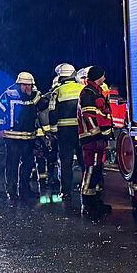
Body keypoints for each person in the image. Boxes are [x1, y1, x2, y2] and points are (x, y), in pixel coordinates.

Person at [0, 72, 46, 202]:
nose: (28, 88)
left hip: (29, 137)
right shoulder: (8, 95)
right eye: (25, 85)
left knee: (27, 165)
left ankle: (25, 189)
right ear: (19, 84)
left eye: (30, 85)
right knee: (12, 164)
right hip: (12, 137)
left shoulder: (34, 96)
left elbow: (43, 106)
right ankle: (11, 190)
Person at [77, 65, 113, 218]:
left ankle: (96, 201)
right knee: (91, 169)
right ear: (98, 77)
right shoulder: (88, 93)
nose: (104, 79)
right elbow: (89, 117)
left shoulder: (95, 91)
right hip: (92, 139)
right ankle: (87, 202)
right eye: (103, 76)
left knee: (97, 170)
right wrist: (96, 135)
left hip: (99, 139)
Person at [48, 63, 83, 200]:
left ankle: (66, 192)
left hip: (64, 132)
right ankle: (87, 188)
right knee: (83, 160)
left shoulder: (57, 91)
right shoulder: (82, 89)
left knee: (65, 162)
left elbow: (52, 112)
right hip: (80, 131)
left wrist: (53, 131)